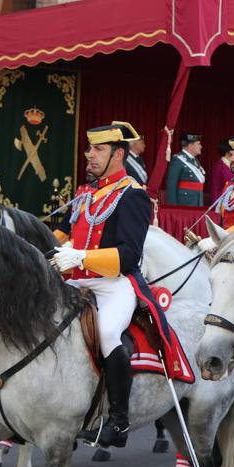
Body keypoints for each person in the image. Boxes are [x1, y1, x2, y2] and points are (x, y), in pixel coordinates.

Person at [52, 121, 182, 448]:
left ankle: (119, 422)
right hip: (76, 280)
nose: (90, 156)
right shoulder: (87, 194)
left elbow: (128, 255)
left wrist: (81, 257)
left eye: (98, 150)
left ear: (118, 154)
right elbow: (67, 232)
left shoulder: (133, 195)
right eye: (89, 149)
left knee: (109, 333)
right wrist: (48, 250)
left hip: (114, 284)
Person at [165, 132, 204, 206]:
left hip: (197, 202)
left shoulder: (195, 161)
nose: (201, 146)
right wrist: (173, 207)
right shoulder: (178, 160)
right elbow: (171, 185)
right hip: (185, 203)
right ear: (190, 146)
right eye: (198, 144)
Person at [204, 139, 233, 204]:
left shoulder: (233, 165)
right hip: (221, 202)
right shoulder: (218, 166)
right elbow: (214, 187)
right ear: (228, 152)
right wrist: (215, 206)